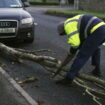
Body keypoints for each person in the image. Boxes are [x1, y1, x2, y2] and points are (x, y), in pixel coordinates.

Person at [55, 14, 105, 85]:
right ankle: (97, 70)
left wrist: (71, 53)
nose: (65, 34)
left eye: (63, 33)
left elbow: (75, 44)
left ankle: (68, 79)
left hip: (97, 30)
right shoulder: (73, 22)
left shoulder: (68, 26)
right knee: (95, 49)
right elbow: (80, 41)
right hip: (102, 28)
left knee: (82, 55)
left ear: (63, 30)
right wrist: (73, 50)